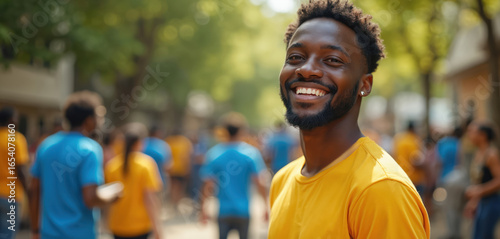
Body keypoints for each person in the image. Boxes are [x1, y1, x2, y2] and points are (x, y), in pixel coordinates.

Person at [267, 0, 430, 238]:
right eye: (295, 57)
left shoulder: (380, 189)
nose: (306, 69)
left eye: (332, 60)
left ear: (364, 85)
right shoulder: (282, 181)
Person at [30, 91, 115, 239]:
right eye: (98, 116)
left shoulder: (46, 145)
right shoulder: (90, 149)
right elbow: (90, 199)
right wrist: (113, 194)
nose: (101, 121)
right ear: (88, 121)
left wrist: (35, 230)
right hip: (80, 233)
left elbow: (34, 190)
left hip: (48, 233)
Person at [199, 112, 268, 239]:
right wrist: (266, 206)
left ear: (224, 131)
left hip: (223, 211)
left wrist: (203, 208)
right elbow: (259, 182)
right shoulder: (251, 154)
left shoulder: (214, 154)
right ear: (241, 131)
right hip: (243, 211)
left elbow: (208, 184)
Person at [105, 123, 163, 239]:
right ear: (139, 142)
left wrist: (105, 223)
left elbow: (108, 200)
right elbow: (150, 199)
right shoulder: (146, 164)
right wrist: (158, 229)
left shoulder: (112, 166)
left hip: (117, 225)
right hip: (140, 225)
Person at [464, 122, 500, 239]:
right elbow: (479, 180)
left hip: (492, 201)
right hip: (482, 202)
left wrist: (480, 191)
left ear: (483, 135)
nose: (469, 135)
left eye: (472, 132)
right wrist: (474, 200)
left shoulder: (491, 154)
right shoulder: (479, 152)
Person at [0, 107, 29, 239]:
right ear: (11, 120)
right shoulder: (16, 139)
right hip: (10, 194)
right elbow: (20, 169)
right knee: (7, 234)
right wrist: (29, 191)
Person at [436, 127, 466, 239]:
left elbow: (439, 161)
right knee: (458, 208)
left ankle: (453, 234)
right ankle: (457, 232)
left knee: (449, 208)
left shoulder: (443, 143)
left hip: (447, 178)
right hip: (461, 178)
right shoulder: (460, 143)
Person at [394, 121, 426, 195]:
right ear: (413, 129)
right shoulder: (413, 140)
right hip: (414, 179)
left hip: (401, 177)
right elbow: (416, 160)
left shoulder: (399, 140)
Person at [165, 129, 193, 208]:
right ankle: (176, 203)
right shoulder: (185, 141)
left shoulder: (169, 141)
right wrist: (188, 168)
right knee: (180, 187)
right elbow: (187, 156)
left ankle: (173, 203)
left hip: (171, 169)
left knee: (172, 186)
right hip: (181, 169)